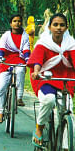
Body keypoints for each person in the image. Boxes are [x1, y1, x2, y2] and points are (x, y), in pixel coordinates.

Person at [28, 13, 75, 148]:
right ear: (49, 27)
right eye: (55, 25)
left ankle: (67, 147)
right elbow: (37, 59)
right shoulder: (44, 43)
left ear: (66, 28)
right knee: (48, 100)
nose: (58, 28)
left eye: (62, 25)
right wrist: (36, 72)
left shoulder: (71, 44)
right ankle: (39, 128)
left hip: (66, 81)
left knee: (68, 112)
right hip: (47, 80)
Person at [0, 14, 30, 123]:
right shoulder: (6, 35)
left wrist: (28, 60)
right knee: (1, 87)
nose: (17, 23)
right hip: (6, 62)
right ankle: (1, 112)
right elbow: (1, 48)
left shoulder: (25, 36)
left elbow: (26, 49)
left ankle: (19, 97)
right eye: (14, 21)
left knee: (20, 71)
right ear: (11, 23)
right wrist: (0, 58)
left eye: (19, 21)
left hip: (19, 60)